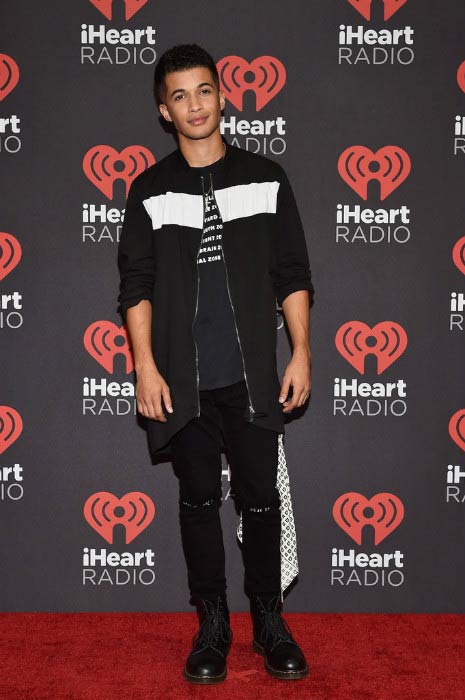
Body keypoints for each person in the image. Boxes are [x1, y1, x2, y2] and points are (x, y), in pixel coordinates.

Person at [117, 43, 314, 684]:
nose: (194, 105)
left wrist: (302, 351)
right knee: (198, 503)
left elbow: (292, 275)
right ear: (163, 110)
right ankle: (213, 627)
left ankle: (268, 621)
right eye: (180, 95)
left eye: (204, 90)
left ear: (223, 96)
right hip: (183, 383)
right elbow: (136, 285)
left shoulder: (267, 177)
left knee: (260, 503)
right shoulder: (148, 190)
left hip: (253, 376)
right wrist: (145, 367)